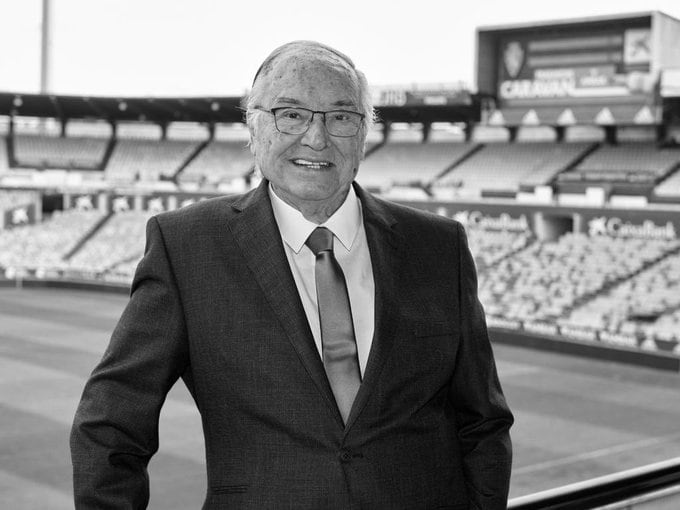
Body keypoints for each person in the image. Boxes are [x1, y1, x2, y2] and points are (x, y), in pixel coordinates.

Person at [71, 40, 513, 509]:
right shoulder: (187, 247)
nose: (316, 138)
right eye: (291, 114)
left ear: (364, 134)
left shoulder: (438, 246)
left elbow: (482, 422)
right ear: (254, 127)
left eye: (341, 117)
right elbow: (110, 425)